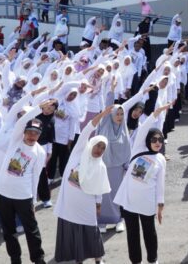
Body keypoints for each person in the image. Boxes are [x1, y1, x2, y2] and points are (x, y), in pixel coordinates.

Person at [0, 101, 52, 264]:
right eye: (30, 132)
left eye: (36, 133)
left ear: (40, 135)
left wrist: (33, 200)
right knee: (9, 231)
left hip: (23, 196)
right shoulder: (15, 140)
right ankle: (15, 259)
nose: (32, 136)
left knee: (31, 230)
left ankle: (38, 258)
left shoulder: (39, 152)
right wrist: (39, 108)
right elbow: (20, 121)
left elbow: (36, 176)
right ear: (24, 132)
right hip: (2, 193)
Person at [52, 106, 113, 264]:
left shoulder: (100, 166)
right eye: (97, 145)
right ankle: (76, 257)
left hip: (86, 204)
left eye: (102, 148)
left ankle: (98, 258)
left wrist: (98, 205)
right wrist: (103, 114)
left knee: (91, 230)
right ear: (91, 143)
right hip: (70, 203)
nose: (99, 149)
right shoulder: (79, 152)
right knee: (71, 229)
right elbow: (87, 129)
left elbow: (99, 188)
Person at [114, 116, 166, 264]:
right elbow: (143, 129)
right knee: (132, 234)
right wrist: (155, 114)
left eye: (160, 140)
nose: (157, 143)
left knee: (149, 232)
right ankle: (136, 261)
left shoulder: (161, 159)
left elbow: (160, 184)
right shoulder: (138, 149)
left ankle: (152, 259)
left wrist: (160, 206)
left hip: (147, 202)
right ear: (148, 140)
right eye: (154, 139)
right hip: (129, 201)